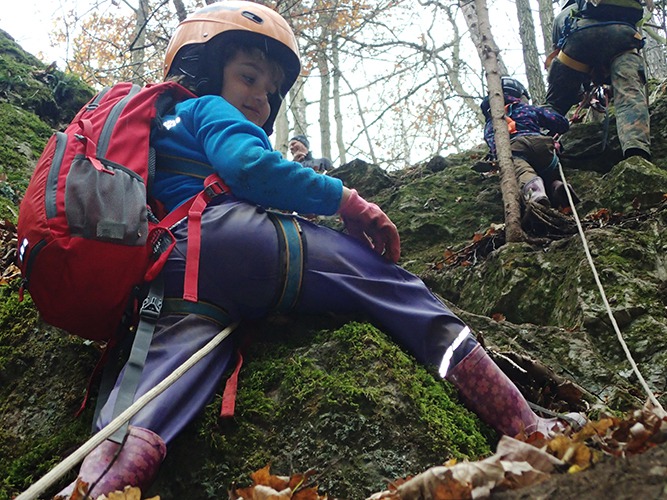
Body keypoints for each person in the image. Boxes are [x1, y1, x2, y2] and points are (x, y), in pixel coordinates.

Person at [56, 3, 583, 498]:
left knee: (153, 398)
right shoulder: (210, 110)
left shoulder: (161, 131)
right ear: (209, 72)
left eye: (270, 90)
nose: (261, 97)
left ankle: (96, 485)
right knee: (391, 284)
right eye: (248, 75)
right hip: (236, 239)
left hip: (175, 270)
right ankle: (525, 425)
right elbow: (252, 169)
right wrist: (348, 202)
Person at [545, 0, 651, 161]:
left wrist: (580, 92)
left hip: (579, 38)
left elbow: (562, 65)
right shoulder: (623, 6)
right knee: (630, 94)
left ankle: (536, 143)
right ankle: (636, 151)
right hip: (623, 38)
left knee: (555, 103)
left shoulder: (564, 14)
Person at [481, 77, 577, 210]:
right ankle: (557, 186)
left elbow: (493, 144)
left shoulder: (492, 121)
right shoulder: (528, 108)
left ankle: (535, 192)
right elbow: (559, 122)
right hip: (540, 143)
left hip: (514, 148)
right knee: (548, 170)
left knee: (522, 171)